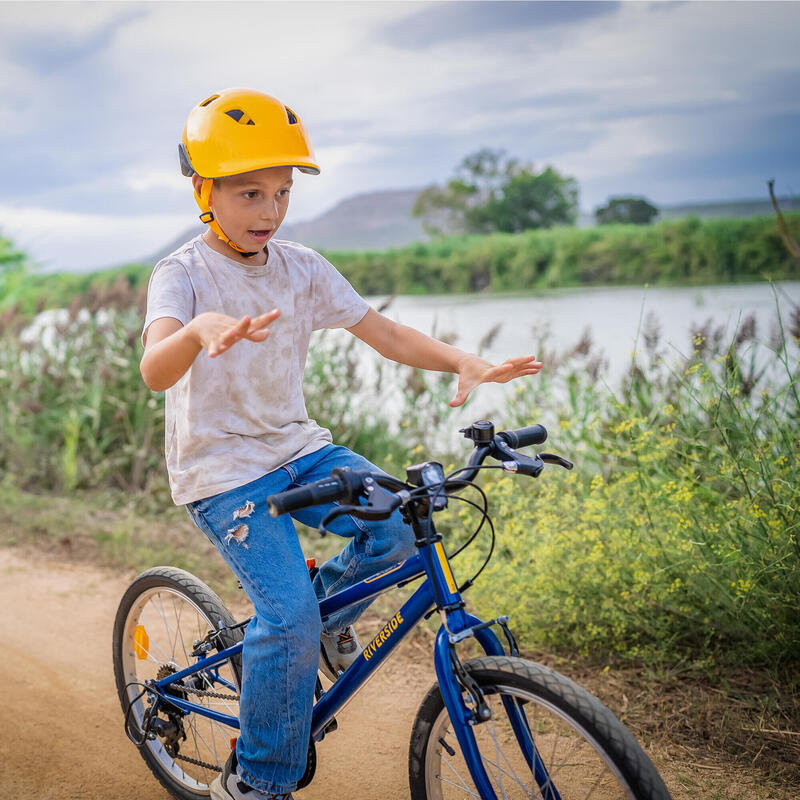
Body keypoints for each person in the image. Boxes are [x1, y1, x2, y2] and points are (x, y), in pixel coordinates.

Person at [140, 88, 542, 800]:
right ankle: (259, 780)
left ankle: (322, 629)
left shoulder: (301, 266)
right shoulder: (184, 275)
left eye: (282, 194)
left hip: (302, 451)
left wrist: (461, 361)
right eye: (250, 194)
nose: (269, 211)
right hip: (224, 475)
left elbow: (384, 334)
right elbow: (153, 368)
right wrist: (194, 334)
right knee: (286, 614)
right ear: (203, 191)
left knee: (400, 527)